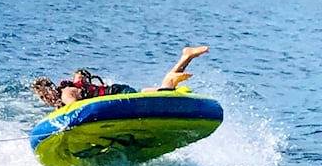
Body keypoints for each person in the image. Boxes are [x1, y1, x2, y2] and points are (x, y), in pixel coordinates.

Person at [32, 46, 210, 108]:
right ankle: (186, 57)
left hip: (118, 96)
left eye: (43, 97)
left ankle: (180, 67)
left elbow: (76, 110)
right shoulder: (71, 87)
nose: (44, 100)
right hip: (118, 92)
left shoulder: (66, 94)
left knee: (164, 91)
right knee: (153, 92)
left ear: (47, 93)